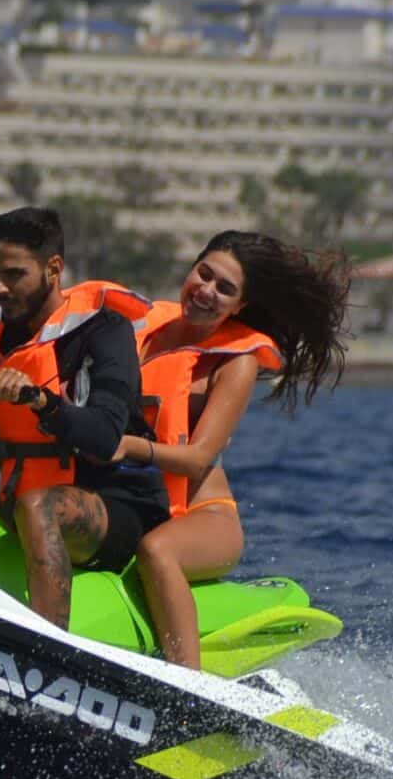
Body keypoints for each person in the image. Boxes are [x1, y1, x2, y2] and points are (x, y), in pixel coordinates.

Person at [111, 230, 350, 670]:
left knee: (157, 551)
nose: (206, 291)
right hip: (133, 501)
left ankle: (187, 685)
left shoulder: (235, 363)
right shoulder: (142, 331)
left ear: (240, 306)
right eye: (204, 274)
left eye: (225, 289)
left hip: (205, 517)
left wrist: (128, 447)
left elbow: (199, 458)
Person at [0, 207, 169, 629]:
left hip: (116, 508)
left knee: (40, 507)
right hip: (22, 498)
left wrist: (40, 402)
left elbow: (106, 436)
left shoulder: (104, 332)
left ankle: (48, 651)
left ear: (53, 269)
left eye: (14, 274)